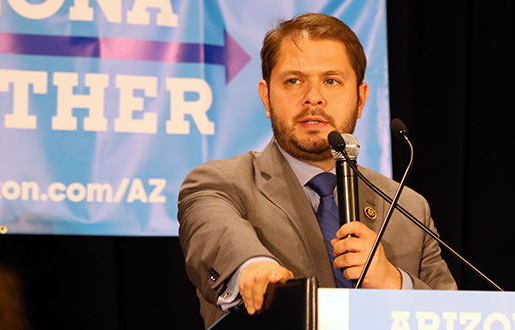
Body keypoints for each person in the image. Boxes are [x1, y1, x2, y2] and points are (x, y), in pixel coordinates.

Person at [178, 12, 457, 328]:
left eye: (331, 81)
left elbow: (455, 315)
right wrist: (254, 268)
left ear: (361, 98)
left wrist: (393, 282)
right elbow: (217, 235)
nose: (313, 98)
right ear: (266, 96)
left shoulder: (408, 206)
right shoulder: (220, 183)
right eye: (293, 80)